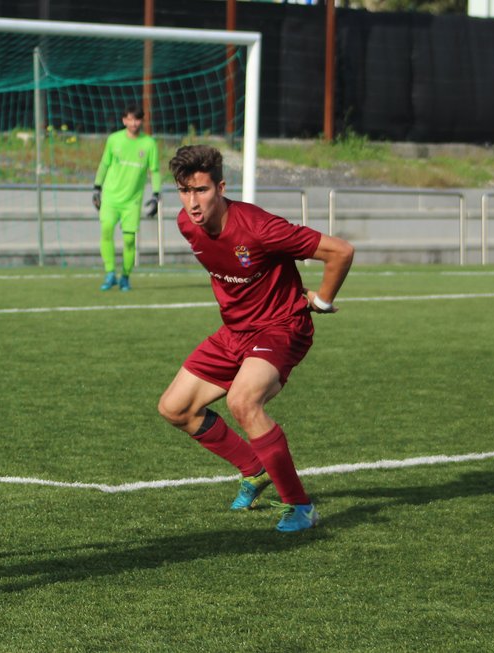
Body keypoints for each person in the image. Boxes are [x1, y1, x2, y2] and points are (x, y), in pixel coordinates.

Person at [157, 145, 355, 532]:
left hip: (281, 327)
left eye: (201, 190)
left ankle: (300, 506)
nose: (192, 203)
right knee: (175, 408)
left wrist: (322, 300)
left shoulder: (259, 227)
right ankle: (254, 468)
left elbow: (340, 251)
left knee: (243, 401)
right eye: (184, 191)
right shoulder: (186, 223)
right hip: (235, 331)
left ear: (221, 188)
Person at [92, 104, 161, 292]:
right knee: (106, 230)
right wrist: (97, 188)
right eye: (130, 119)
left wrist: (156, 195)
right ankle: (109, 273)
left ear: (141, 121)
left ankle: (125, 277)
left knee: (129, 240)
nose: (133, 123)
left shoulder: (149, 144)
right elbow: (104, 164)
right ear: (124, 120)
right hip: (111, 197)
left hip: (132, 201)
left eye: (137, 119)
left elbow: (154, 170)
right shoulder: (114, 140)